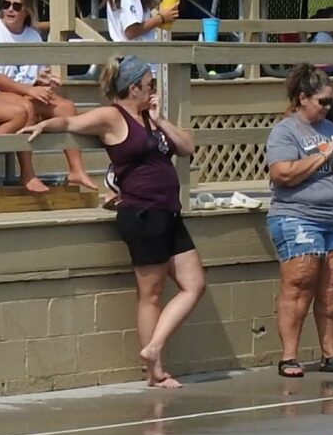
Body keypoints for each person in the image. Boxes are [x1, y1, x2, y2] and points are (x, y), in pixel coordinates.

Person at [22, 56, 204, 387]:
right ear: (133, 87)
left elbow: (187, 146)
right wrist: (42, 126)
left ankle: (154, 348)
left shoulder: (151, 119)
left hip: (169, 211)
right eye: (149, 85)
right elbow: (72, 124)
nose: (153, 90)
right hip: (142, 213)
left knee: (194, 285)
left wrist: (159, 118)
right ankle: (155, 370)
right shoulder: (113, 116)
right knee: (151, 293)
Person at [266, 65, 333, 377]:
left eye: (331, 102)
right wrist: (323, 156)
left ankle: (330, 354)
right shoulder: (286, 131)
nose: (328, 107)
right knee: (300, 282)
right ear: (303, 98)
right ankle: (289, 356)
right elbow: (282, 173)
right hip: (297, 215)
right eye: (323, 101)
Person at [0, 0, 81, 194]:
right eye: (6, 5)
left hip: (21, 90)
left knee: (67, 107)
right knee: (26, 107)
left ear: (27, 11)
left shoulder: (33, 36)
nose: (10, 10)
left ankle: (76, 169)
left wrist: (43, 80)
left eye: (16, 6)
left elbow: (33, 74)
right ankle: (28, 174)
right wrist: (30, 89)